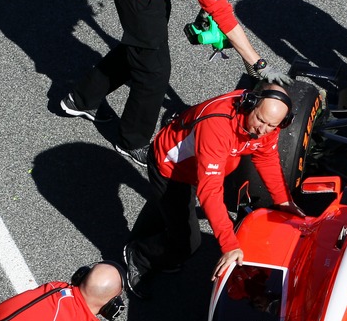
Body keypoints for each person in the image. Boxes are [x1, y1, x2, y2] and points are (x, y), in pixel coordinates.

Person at [60, 0, 290, 165]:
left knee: (139, 50)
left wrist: (205, 7)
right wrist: (258, 64)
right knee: (154, 72)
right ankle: (131, 142)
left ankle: (80, 100)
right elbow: (223, 12)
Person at [121, 83, 302, 298]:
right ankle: (137, 257)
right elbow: (210, 190)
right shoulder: (217, 125)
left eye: (271, 125)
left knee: (171, 209)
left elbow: (266, 157)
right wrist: (229, 244)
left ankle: (157, 230)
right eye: (260, 120)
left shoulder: (269, 123)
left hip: (196, 168)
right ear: (249, 104)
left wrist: (283, 201)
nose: (262, 130)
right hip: (171, 168)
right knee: (187, 243)